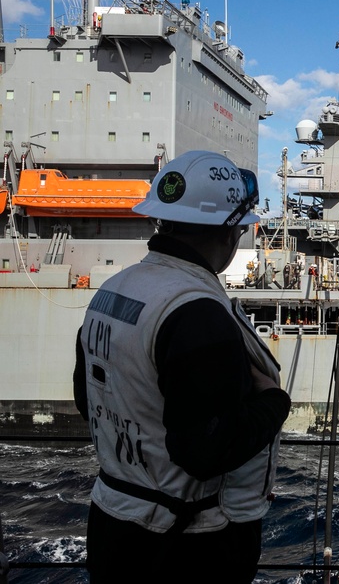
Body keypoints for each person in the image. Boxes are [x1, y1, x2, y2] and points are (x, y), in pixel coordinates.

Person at [73, 150, 291, 583]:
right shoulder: (197, 312)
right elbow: (205, 453)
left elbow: (87, 400)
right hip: (186, 547)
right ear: (229, 233)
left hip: (114, 524)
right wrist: (274, 402)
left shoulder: (113, 291)